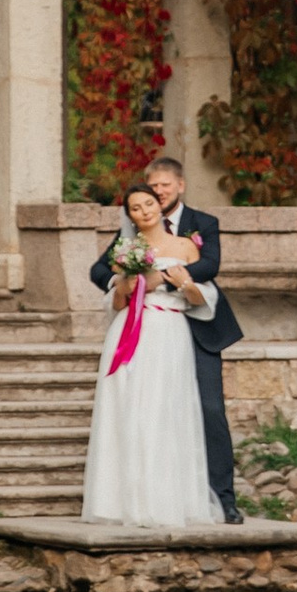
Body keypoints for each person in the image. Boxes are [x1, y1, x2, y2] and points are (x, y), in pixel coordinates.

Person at [88, 148, 242, 521]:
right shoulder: (132, 234)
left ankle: (222, 498)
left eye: (165, 186)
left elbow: (210, 264)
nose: (158, 193)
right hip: (146, 326)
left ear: (180, 186)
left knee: (208, 410)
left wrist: (165, 278)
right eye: (153, 187)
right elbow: (99, 269)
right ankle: (143, 493)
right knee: (147, 408)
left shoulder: (200, 224)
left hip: (196, 325)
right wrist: (125, 283)